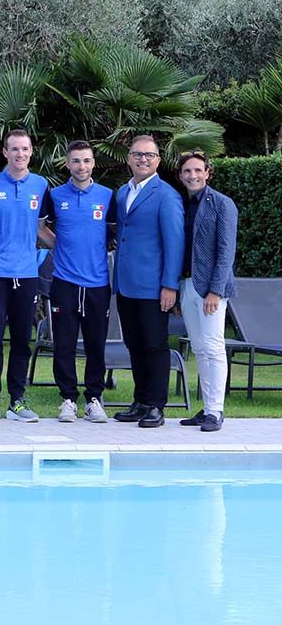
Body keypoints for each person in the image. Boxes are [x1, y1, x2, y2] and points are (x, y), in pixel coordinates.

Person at [0, 130, 49, 423]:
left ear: (31, 152)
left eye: (25, 149)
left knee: (21, 340)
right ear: (5, 152)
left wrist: (72, 249)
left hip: (26, 274)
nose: (20, 154)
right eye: (14, 149)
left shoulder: (41, 186)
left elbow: (41, 229)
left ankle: (17, 402)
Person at [38, 140, 114, 424]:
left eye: (86, 160)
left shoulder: (107, 196)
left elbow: (113, 234)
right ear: (67, 164)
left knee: (96, 345)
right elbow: (40, 227)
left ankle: (94, 399)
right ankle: (68, 399)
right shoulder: (56, 195)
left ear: (93, 164)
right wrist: (61, 247)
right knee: (65, 344)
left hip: (97, 284)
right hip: (64, 283)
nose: (81, 166)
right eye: (76, 161)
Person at [111, 134, 183, 428]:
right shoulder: (122, 193)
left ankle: (156, 405)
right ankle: (140, 401)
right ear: (128, 158)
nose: (143, 159)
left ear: (158, 160)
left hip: (154, 287)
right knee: (135, 344)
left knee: (155, 345)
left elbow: (174, 243)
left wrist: (170, 285)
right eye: (138, 154)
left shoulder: (167, 195)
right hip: (126, 284)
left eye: (149, 155)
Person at [175, 150, 238, 432]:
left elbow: (226, 253)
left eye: (198, 170)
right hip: (186, 285)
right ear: (181, 175)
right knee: (199, 349)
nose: (193, 175)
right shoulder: (181, 204)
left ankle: (216, 410)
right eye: (187, 171)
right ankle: (208, 407)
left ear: (207, 172)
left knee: (213, 347)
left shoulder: (222, 204)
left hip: (211, 290)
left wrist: (215, 290)